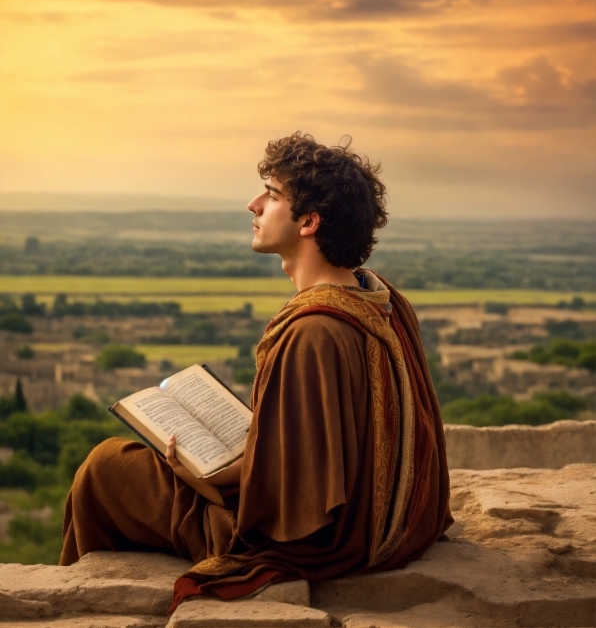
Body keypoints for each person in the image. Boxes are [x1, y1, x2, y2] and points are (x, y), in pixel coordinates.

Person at [60, 132, 452, 607]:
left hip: (325, 541)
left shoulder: (314, 332)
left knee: (105, 468)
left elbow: (289, 504)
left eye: (272, 195)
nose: (253, 204)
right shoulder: (380, 296)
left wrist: (193, 473)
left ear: (309, 221)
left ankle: (81, 606)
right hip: (390, 519)